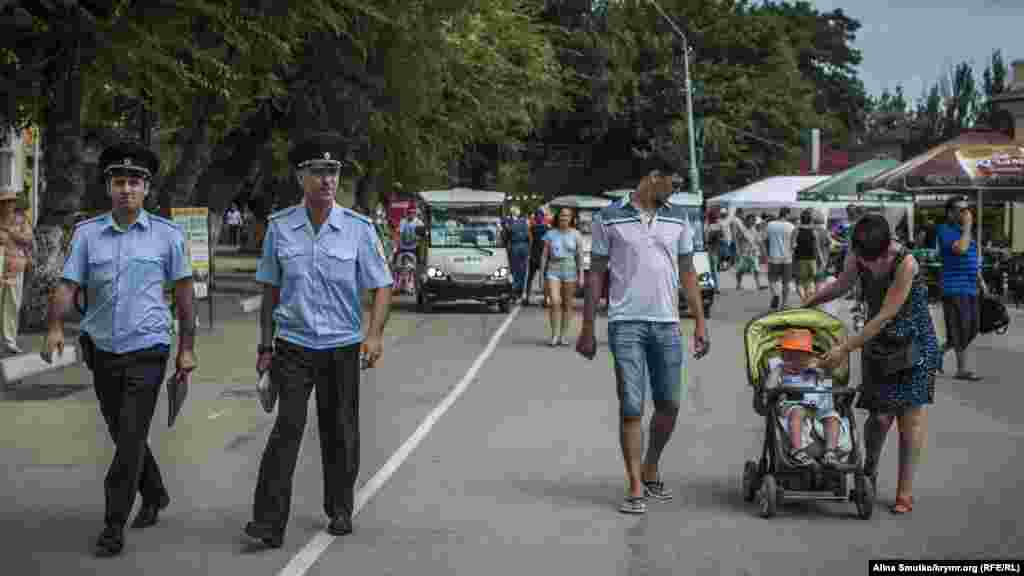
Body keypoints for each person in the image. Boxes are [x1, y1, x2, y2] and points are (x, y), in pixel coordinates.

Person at [41, 141, 197, 557]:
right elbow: (68, 286)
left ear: (147, 189)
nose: (127, 189)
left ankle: (113, 525)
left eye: (135, 182)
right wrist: (55, 326)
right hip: (103, 350)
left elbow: (184, 295)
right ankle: (155, 491)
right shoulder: (88, 235)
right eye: (119, 182)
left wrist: (186, 347)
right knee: (120, 430)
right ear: (108, 187)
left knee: (130, 436)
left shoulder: (167, 236)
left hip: (149, 349)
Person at [244, 132, 393, 548]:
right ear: (300, 177)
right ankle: (268, 522)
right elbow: (270, 290)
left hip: (342, 346)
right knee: (286, 428)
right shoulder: (280, 228)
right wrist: (264, 347)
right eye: (317, 172)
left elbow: (382, 285)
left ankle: (340, 507)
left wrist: (374, 335)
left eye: (333, 172)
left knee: (340, 430)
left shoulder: (359, 229)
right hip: (292, 344)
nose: (327, 180)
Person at [576, 155, 709, 515]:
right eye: (674, 183)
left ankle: (651, 464)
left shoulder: (679, 217)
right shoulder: (609, 217)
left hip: (667, 324)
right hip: (625, 324)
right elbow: (596, 275)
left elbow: (688, 273)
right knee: (631, 405)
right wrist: (587, 327)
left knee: (670, 405)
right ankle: (635, 484)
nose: (677, 190)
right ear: (654, 178)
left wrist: (699, 321)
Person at [807, 214, 940, 515]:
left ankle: (904, 492)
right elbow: (842, 285)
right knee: (879, 418)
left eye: (874, 259)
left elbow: (884, 315)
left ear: (887, 248)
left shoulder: (906, 263)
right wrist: (808, 303)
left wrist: (844, 348)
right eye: (863, 259)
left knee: (910, 419)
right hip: (878, 345)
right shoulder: (858, 254)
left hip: (913, 343)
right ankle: (869, 470)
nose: (869, 265)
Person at [769, 329, 850, 467]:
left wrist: (823, 375)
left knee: (833, 418)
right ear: (782, 356)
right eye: (788, 356)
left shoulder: (814, 372)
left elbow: (828, 387)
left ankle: (830, 451)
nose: (793, 361)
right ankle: (797, 449)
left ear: (809, 357)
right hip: (793, 405)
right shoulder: (780, 370)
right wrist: (777, 372)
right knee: (798, 412)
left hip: (818, 409)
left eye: (798, 357)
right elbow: (770, 386)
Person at [935, 196, 988, 381]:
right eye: (961, 210)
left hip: (971, 286)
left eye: (967, 209)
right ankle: (961, 369)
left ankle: (937, 353)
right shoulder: (945, 230)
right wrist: (967, 227)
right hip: (954, 287)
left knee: (972, 328)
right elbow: (961, 249)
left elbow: (971, 258)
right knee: (960, 328)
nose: (966, 213)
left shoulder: (963, 231)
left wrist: (981, 281)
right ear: (950, 213)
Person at [540, 207, 582, 346]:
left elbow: (579, 256)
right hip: (553, 270)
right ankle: (554, 335)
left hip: (570, 270)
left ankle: (563, 336)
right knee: (555, 301)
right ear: (558, 217)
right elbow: (544, 255)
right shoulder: (550, 234)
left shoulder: (576, 234)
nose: (564, 218)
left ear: (571, 219)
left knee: (568, 304)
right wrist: (541, 275)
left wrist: (581, 275)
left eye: (567, 216)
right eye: (562, 215)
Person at [0, 191, 32, 353]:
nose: (8, 205)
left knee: (12, 303)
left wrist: (12, 233)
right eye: (5, 202)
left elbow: (28, 239)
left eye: (11, 201)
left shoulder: (21, 220)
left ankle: (9, 341)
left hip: (15, 266)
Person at [764, 207, 796, 309]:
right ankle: (784, 304)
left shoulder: (770, 225)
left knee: (772, 279)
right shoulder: (791, 226)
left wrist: (767, 252)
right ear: (787, 214)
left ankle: (776, 294)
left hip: (774, 257)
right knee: (786, 282)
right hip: (787, 258)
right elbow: (793, 244)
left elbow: (766, 240)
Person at [504, 206, 531, 301]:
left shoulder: (508, 221)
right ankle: (519, 291)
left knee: (514, 270)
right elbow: (528, 236)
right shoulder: (524, 221)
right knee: (522, 270)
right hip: (523, 247)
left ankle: (514, 291)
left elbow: (506, 235)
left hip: (514, 246)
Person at [794, 208, 820, 303]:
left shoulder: (796, 230)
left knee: (800, 281)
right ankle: (809, 298)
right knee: (810, 280)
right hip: (812, 259)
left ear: (801, 219)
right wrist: (822, 260)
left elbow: (792, 246)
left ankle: (803, 299)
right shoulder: (814, 231)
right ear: (811, 220)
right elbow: (817, 247)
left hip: (799, 259)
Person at [731, 212, 763, 290]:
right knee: (740, 270)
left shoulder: (755, 229)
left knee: (756, 269)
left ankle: (758, 285)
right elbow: (737, 239)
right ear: (747, 220)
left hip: (753, 252)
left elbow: (759, 241)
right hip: (744, 253)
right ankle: (738, 284)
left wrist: (761, 251)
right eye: (751, 220)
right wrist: (737, 250)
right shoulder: (742, 230)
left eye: (754, 220)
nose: (753, 222)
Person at [524, 209, 549, 306]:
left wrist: (529, 254)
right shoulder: (547, 228)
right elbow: (548, 243)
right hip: (543, 255)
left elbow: (530, 241)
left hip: (534, 256)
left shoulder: (532, 228)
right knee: (546, 278)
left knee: (530, 277)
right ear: (543, 218)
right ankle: (546, 300)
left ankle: (527, 298)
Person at [705, 210, 724, 292]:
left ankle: (714, 286)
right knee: (714, 268)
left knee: (712, 268)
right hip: (715, 248)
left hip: (711, 248)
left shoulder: (709, 226)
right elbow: (722, 236)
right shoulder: (718, 225)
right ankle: (715, 286)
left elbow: (707, 238)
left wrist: (713, 235)